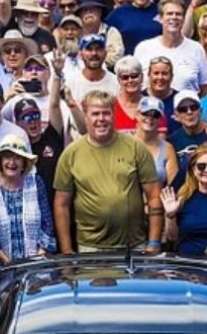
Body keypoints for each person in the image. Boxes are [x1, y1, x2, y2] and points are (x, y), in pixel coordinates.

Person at [53, 90, 163, 252]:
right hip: (90, 248)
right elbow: (61, 205)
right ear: (86, 117)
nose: (101, 119)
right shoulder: (71, 153)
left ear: (114, 115)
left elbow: (153, 195)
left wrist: (154, 243)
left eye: (106, 113)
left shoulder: (135, 147)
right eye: (95, 114)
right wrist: (67, 251)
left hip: (133, 246)